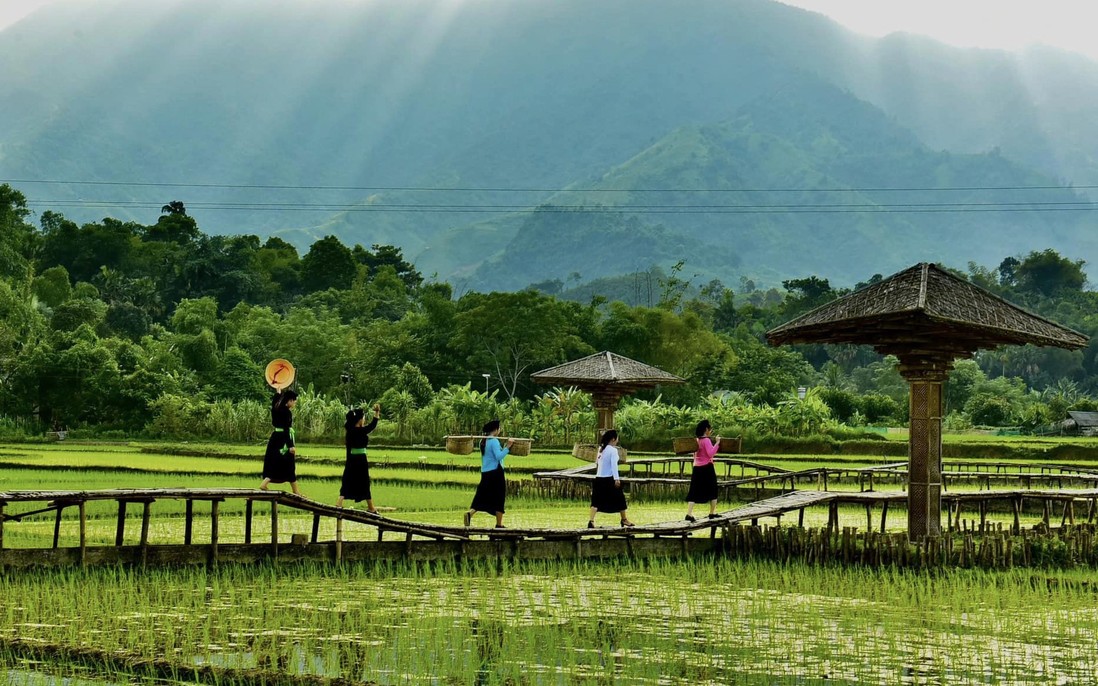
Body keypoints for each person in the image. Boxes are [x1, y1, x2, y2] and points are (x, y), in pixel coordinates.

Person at [464, 419, 513, 528]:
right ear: (496, 430)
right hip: (496, 472)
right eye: (499, 428)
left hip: (486, 472)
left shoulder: (483, 441)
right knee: (499, 496)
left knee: (482, 495)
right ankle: (499, 524)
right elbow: (499, 456)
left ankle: (470, 513)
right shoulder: (494, 441)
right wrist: (508, 447)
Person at [337, 403, 381, 514]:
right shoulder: (360, 431)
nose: (364, 420)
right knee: (364, 483)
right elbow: (372, 425)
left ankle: (339, 503)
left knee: (347, 481)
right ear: (359, 420)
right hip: (361, 461)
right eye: (363, 418)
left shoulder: (350, 432)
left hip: (351, 461)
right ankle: (371, 507)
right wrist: (376, 412)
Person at [588, 430, 634, 528]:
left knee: (596, 501)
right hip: (609, 479)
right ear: (613, 439)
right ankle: (624, 519)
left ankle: (591, 521)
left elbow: (598, 463)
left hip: (599, 478)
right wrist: (616, 479)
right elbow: (614, 466)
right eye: (617, 438)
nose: (617, 440)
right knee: (620, 498)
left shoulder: (601, 449)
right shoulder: (613, 450)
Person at [260, 389, 301, 495]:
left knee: (275, 461)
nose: (295, 403)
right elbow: (286, 429)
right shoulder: (286, 412)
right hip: (284, 440)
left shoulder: (276, 408)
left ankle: (265, 483)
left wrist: (278, 392)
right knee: (289, 464)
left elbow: (274, 401)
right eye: (294, 401)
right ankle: (296, 492)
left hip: (275, 438)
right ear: (290, 400)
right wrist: (291, 445)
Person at [685, 419, 721, 522]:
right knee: (713, 489)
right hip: (706, 467)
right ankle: (712, 512)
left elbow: (694, 454)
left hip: (697, 467)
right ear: (706, 429)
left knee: (694, 490)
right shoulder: (706, 440)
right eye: (710, 430)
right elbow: (710, 453)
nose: (710, 432)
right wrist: (717, 443)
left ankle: (689, 513)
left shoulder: (697, 440)